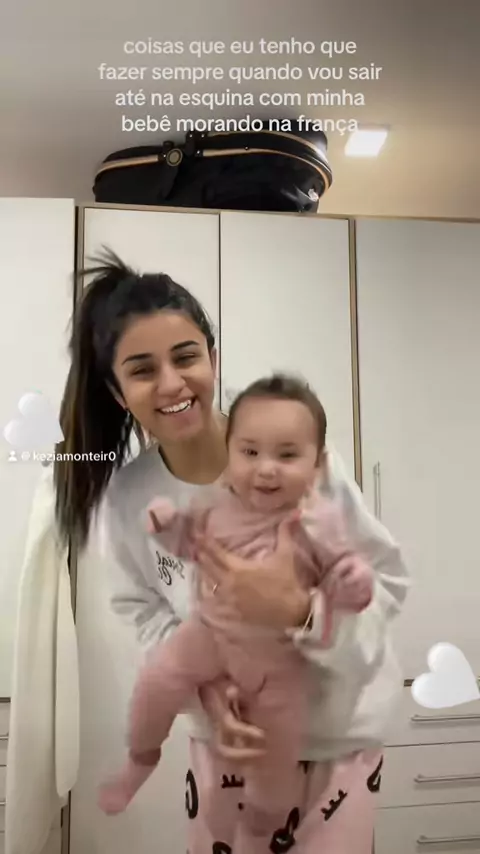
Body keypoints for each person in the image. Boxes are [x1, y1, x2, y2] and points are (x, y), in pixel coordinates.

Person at [53, 249, 410, 854]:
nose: (172, 383)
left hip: (337, 737)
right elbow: (143, 610)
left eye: (186, 356)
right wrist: (208, 694)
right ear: (117, 392)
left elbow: (385, 585)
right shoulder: (129, 499)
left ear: (213, 359)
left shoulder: (287, 448)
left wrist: (300, 610)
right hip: (227, 745)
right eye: (143, 370)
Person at [97, 373, 374, 835]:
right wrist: (166, 525)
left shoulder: (319, 520)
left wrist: (353, 581)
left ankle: (267, 814)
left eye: (287, 455)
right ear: (231, 453)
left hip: (282, 656)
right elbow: (188, 542)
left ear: (318, 465)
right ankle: (140, 758)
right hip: (209, 632)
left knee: (278, 742)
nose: (266, 469)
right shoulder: (217, 504)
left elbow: (346, 573)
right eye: (250, 453)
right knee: (158, 679)